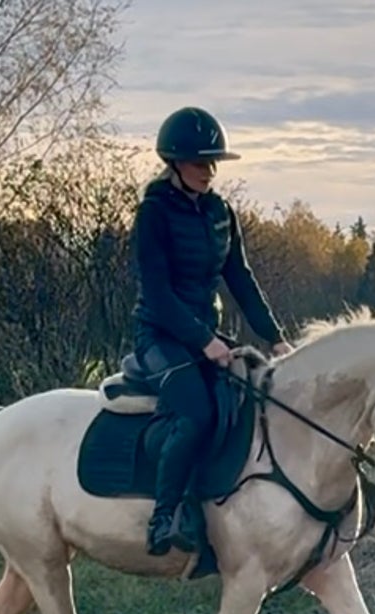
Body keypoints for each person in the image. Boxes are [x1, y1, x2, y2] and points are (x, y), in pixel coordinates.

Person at [130, 106, 293, 557]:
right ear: (175, 163)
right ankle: (164, 519)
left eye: (213, 162)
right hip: (160, 336)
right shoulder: (153, 215)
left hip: (208, 335)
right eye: (202, 163)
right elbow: (158, 294)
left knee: (246, 403)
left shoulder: (222, 212)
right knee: (197, 413)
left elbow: (240, 279)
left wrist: (274, 336)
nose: (211, 171)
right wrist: (205, 341)